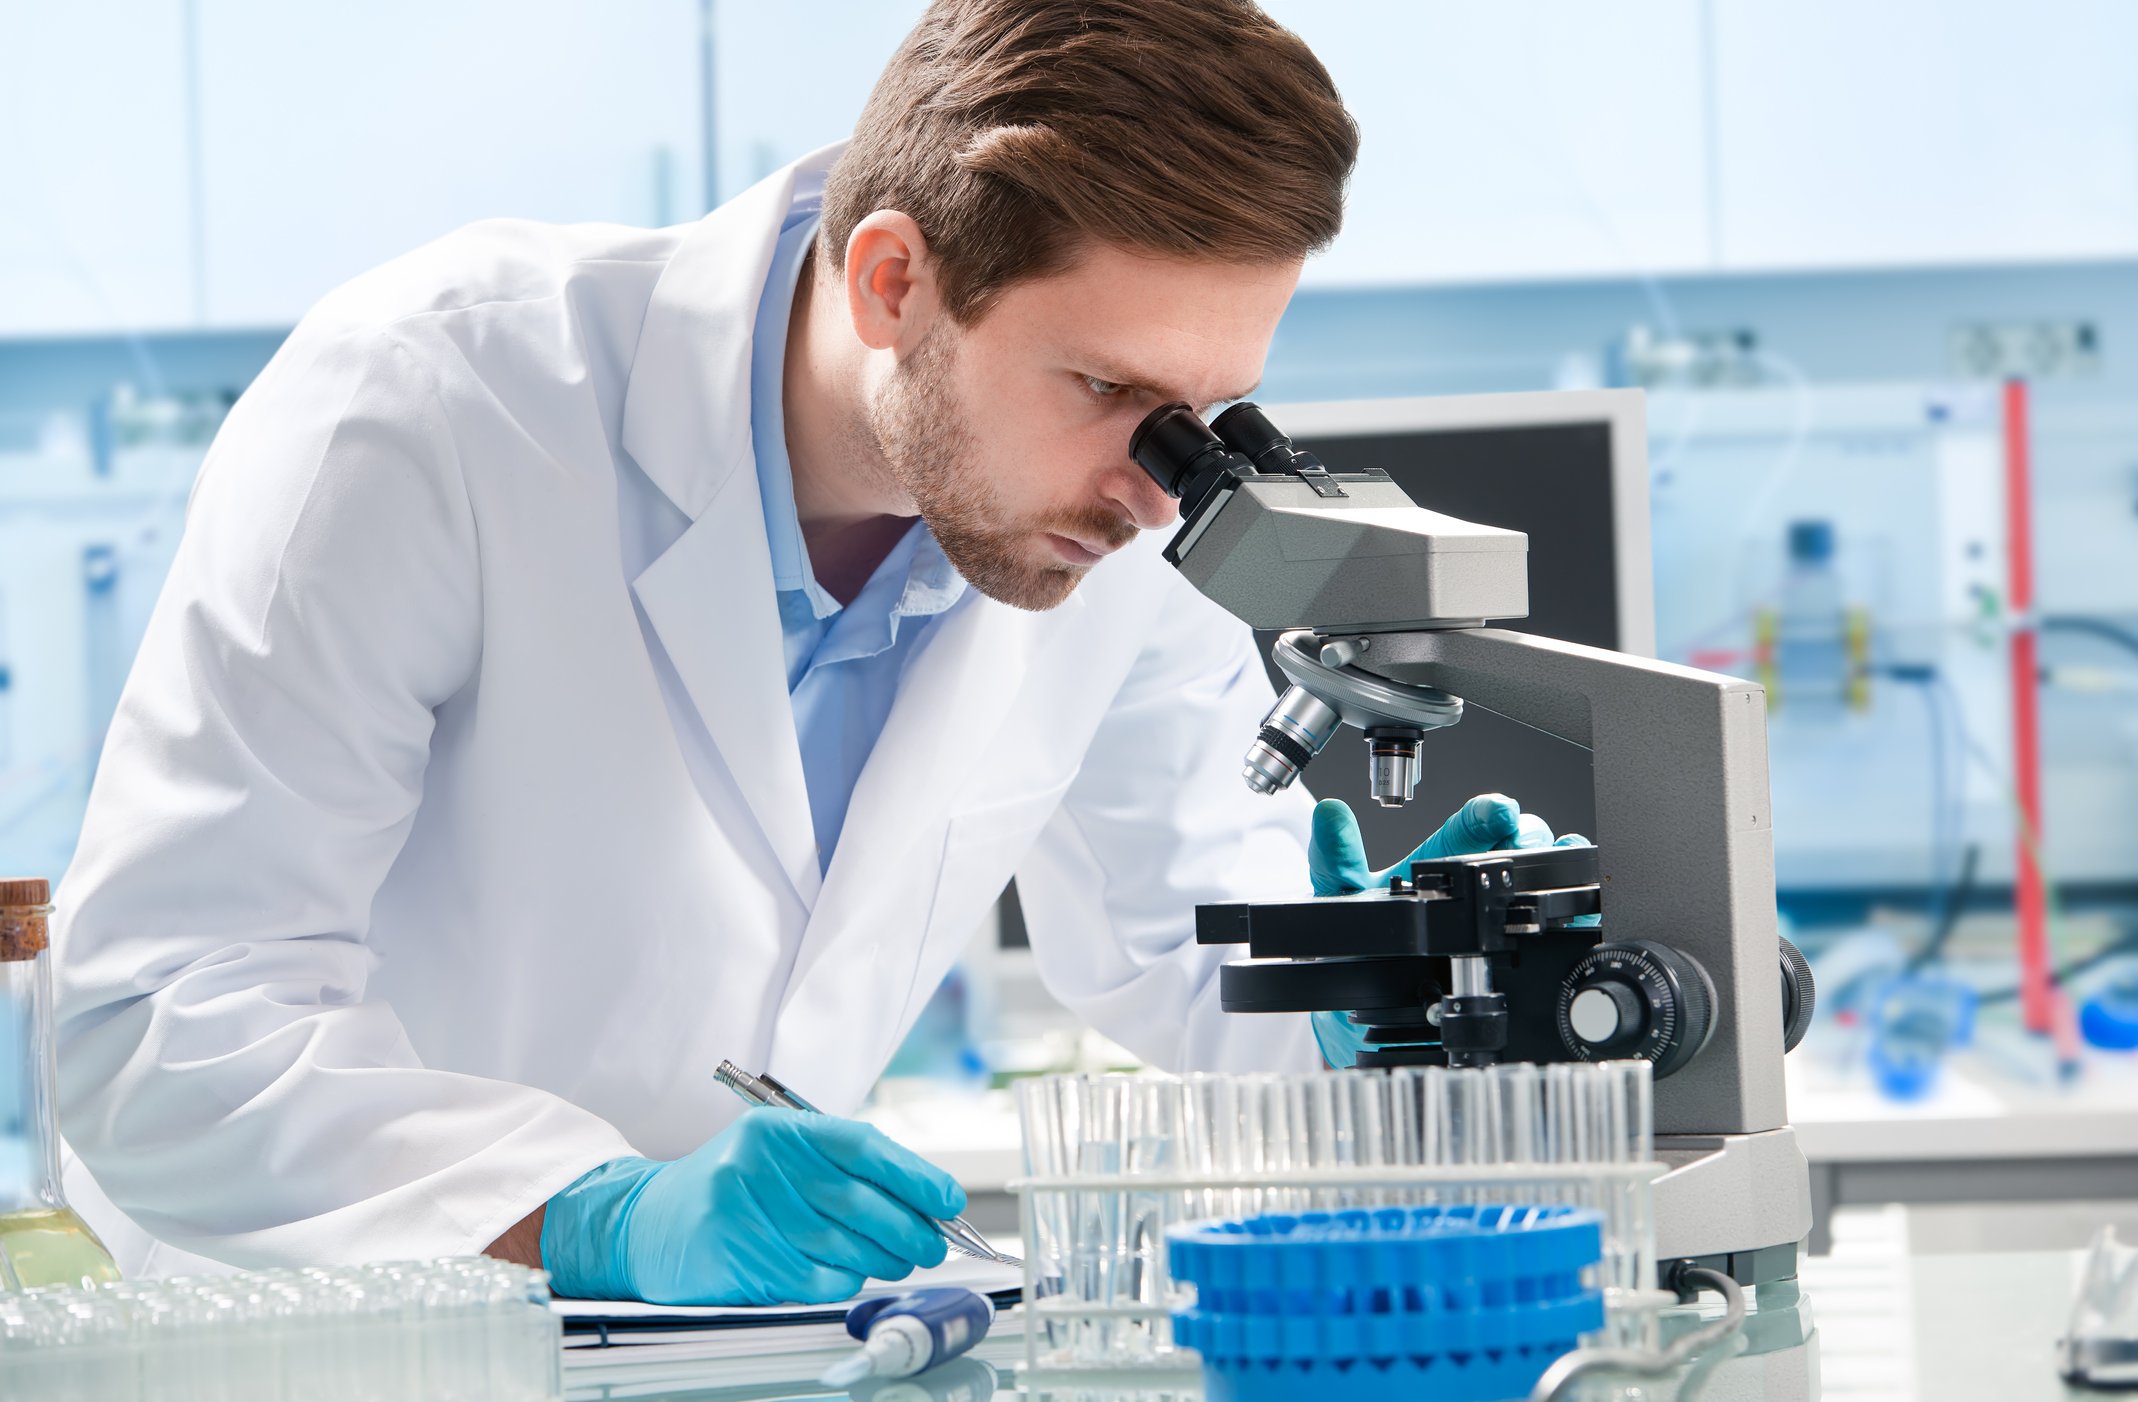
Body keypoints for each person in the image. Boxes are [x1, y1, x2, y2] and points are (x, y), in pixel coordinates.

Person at [53, 0, 1577, 1308]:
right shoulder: (435, 405)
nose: (1156, 478)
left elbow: (1174, 933)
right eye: (1108, 385)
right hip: (363, 1341)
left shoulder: (1111, 509)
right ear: (891, 282)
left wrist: (1365, 986)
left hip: (754, 1354)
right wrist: (595, 1214)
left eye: (1207, 408)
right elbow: (165, 1018)